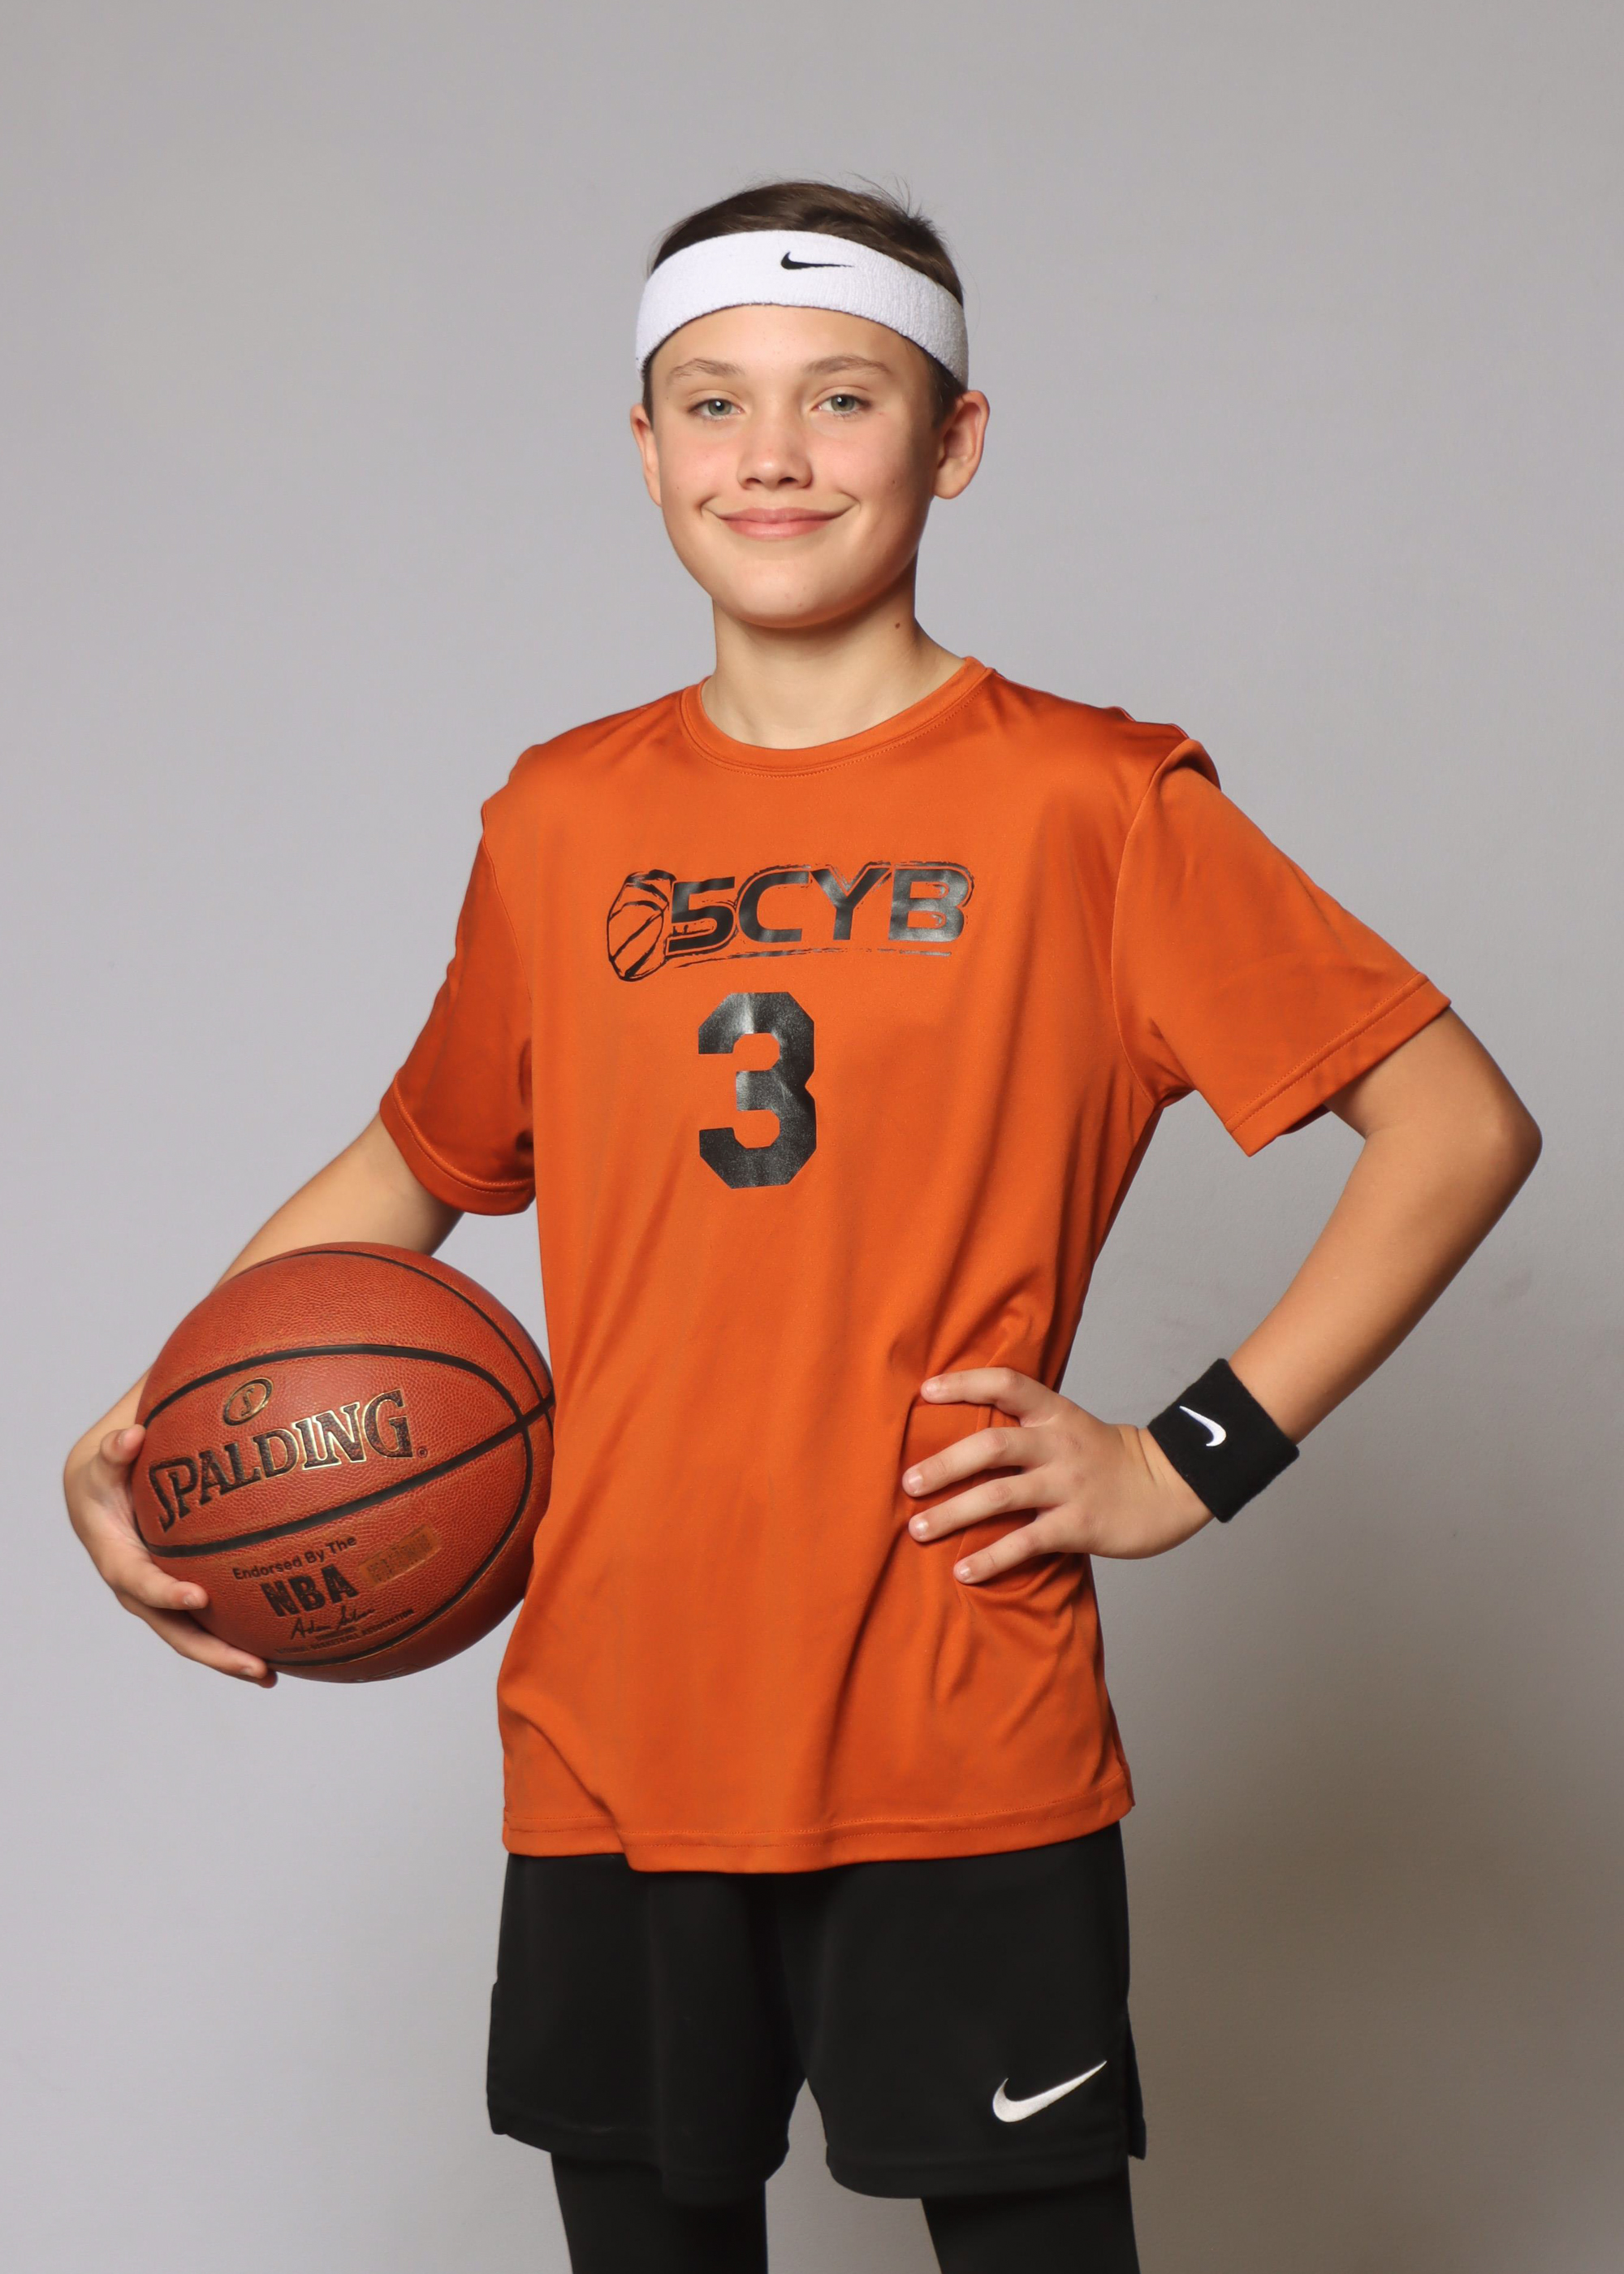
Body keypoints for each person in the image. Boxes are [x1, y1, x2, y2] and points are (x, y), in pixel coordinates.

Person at [63, 179, 1540, 2272]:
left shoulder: (1094, 805)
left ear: (956, 441)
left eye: (842, 398)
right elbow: (409, 1171)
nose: (772, 454)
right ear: (644, 446)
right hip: (612, 1724)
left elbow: (1456, 1125)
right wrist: (152, 1432)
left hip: (956, 1718)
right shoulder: (561, 819)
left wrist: (1182, 1461)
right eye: (713, 402)